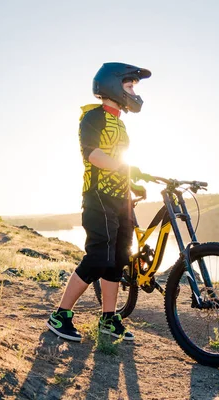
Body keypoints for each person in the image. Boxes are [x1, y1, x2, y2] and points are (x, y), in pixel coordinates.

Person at [46, 62, 152, 342]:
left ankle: (108, 318)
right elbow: (93, 155)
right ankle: (60, 315)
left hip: (121, 199)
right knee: (98, 258)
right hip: (98, 197)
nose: (132, 91)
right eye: (129, 85)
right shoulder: (93, 117)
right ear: (114, 85)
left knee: (118, 259)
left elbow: (118, 162)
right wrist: (124, 167)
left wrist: (132, 182)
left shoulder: (120, 123)